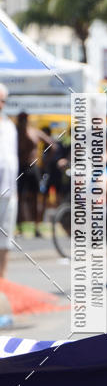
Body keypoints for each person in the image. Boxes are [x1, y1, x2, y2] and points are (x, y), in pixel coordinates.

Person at [16, 112, 51, 237]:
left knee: (37, 197)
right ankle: (20, 227)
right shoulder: (16, 133)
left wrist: (45, 160)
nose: (23, 122)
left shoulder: (34, 132)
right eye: (21, 119)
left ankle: (37, 226)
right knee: (19, 197)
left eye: (24, 119)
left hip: (33, 167)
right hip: (20, 167)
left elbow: (51, 144)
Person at [0, 85, 18, 278]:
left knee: (5, 238)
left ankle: (2, 282)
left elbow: (12, 159)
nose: (2, 104)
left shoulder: (9, 126)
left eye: (4, 100)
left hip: (8, 189)